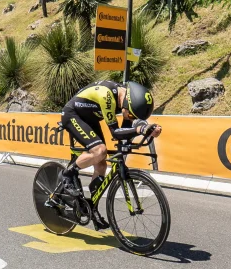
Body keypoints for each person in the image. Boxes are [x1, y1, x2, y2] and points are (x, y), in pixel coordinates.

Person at [59, 80, 161, 230]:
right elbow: (116, 133)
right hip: (72, 114)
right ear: (127, 103)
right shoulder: (106, 96)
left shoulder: (125, 99)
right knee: (99, 151)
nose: (131, 118)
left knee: (101, 164)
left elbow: (127, 128)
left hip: (90, 118)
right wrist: (139, 130)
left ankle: (91, 207)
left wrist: (148, 128)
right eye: (131, 115)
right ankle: (67, 174)